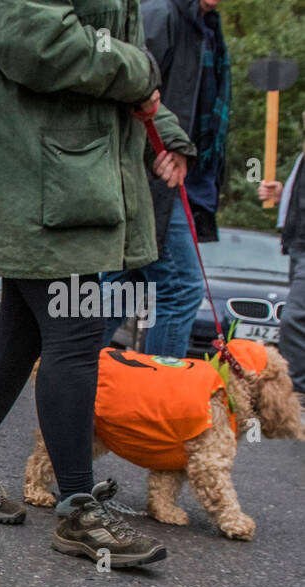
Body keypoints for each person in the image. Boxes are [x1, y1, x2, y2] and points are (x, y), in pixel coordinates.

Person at [0, 0, 193, 567]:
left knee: (21, 338)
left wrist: (162, 131)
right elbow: (34, 36)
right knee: (77, 331)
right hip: (39, 180)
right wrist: (140, 71)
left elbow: (112, 64)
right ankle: (78, 509)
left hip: (61, 179)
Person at [101, 0, 225, 354]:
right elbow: (127, 86)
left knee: (121, 288)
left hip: (170, 178)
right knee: (181, 287)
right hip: (152, 179)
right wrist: (163, 148)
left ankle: (72, 386)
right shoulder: (162, 14)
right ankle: (157, 399)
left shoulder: (204, 26)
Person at [259, 117, 305, 395]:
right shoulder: (302, 159)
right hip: (297, 246)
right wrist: (281, 197)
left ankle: (296, 392)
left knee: (296, 318)